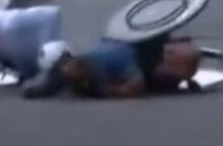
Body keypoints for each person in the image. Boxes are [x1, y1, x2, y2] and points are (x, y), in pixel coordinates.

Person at [25, 33, 202, 100]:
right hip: (111, 51)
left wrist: (106, 91)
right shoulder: (120, 58)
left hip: (117, 52)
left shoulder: (127, 59)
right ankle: (49, 88)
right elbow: (136, 84)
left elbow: (136, 85)